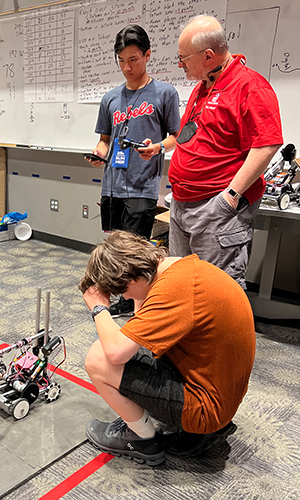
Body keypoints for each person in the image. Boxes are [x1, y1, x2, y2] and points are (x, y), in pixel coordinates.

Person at [79, 231, 255, 465]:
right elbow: (140, 323)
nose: (124, 297)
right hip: (219, 392)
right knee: (135, 344)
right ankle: (197, 430)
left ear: (133, 279)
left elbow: (115, 352)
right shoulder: (180, 269)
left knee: (98, 358)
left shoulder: (174, 290)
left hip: (207, 408)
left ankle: (142, 440)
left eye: (122, 292)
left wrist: (99, 308)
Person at [169, 15, 283, 288]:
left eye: (183, 58)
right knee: (182, 284)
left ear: (208, 55)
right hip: (182, 203)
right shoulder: (203, 87)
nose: (179, 64)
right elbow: (193, 136)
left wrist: (230, 197)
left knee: (217, 290)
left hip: (215, 207)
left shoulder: (250, 86)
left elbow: (267, 143)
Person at [85, 25, 180, 318]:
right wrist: (99, 154)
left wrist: (157, 148)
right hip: (112, 184)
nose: (127, 67)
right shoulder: (110, 98)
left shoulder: (165, 93)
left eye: (134, 59)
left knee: (135, 249)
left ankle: (134, 302)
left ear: (148, 55)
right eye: (122, 60)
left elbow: (176, 136)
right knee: (115, 245)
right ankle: (124, 297)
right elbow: (104, 140)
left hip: (143, 184)